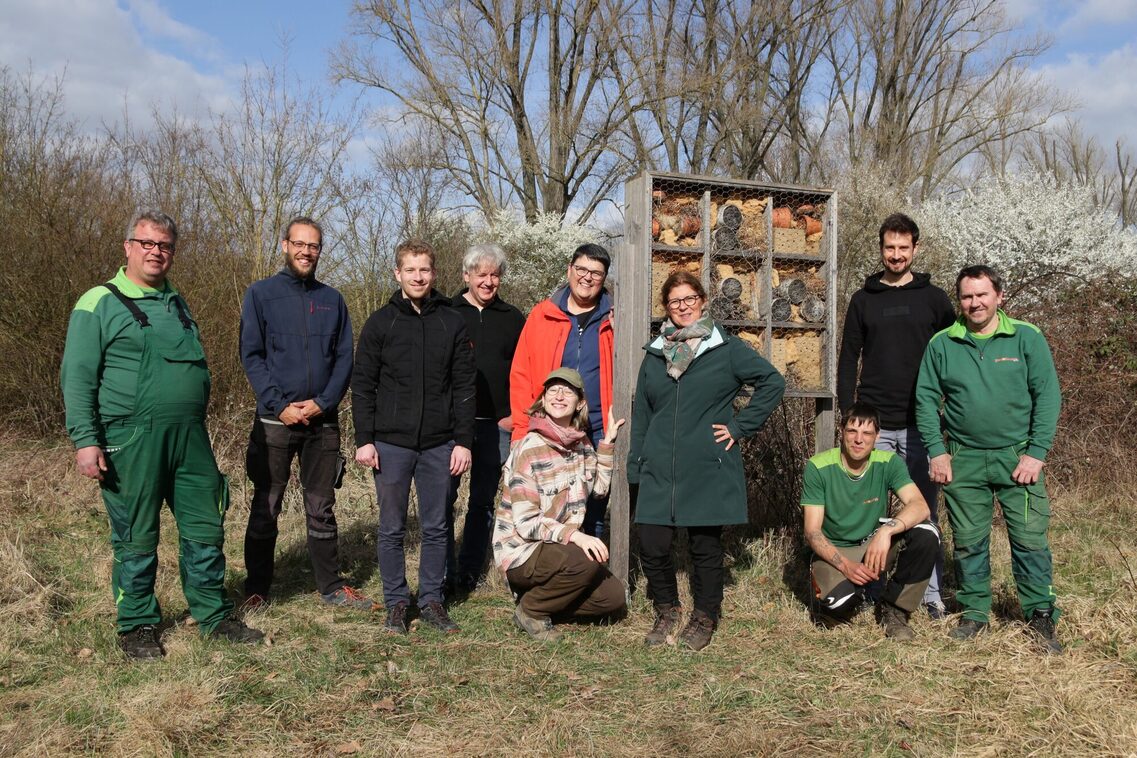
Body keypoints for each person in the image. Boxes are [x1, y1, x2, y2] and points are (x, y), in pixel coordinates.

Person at [61, 209, 263, 659]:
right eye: (148, 243)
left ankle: (213, 614)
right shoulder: (98, 302)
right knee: (137, 534)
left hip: (190, 439)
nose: (157, 252)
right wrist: (85, 440)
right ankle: (136, 624)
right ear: (128, 247)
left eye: (165, 246)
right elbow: (77, 377)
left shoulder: (178, 303)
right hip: (131, 439)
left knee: (205, 525)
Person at [627, 271, 785, 651]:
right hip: (659, 463)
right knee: (651, 541)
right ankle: (666, 609)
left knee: (704, 547)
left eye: (689, 299)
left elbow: (772, 382)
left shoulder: (725, 349)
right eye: (674, 301)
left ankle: (704, 617)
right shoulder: (655, 353)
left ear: (702, 300)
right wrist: (637, 460)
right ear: (666, 307)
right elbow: (643, 412)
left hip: (705, 464)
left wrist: (739, 426)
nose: (682, 307)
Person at [915, 265, 1063, 653]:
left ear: (999, 296)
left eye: (982, 295)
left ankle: (1040, 615)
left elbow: (1047, 397)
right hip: (963, 458)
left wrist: (1036, 453)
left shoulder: (1025, 337)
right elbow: (926, 401)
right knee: (968, 541)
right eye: (967, 296)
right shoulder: (943, 344)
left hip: (1018, 458)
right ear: (959, 301)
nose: (974, 303)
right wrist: (937, 450)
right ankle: (975, 613)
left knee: (1030, 539)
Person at [239, 216, 375, 611]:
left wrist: (325, 401)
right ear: (284, 245)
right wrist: (279, 405)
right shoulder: (260, 294)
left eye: (313, 245)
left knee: (322, 507)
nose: (306, 251)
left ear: (320, 250)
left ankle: (331, 587)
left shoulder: (333, 299)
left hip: (322, 422)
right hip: (274, 421)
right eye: (299, 244)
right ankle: (257, 589)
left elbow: (344, 358)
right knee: (267, 504)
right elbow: (252, 354)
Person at [351, 239, 476, 635]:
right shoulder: (379, 323)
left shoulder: (452, 322)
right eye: (410, 270)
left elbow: (464, 386)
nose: (418, 276)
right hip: (390, 443)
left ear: (434, 274)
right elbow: (362, 385)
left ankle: (433, 601)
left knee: (438, 525)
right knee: (391, 527)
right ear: (397, 274)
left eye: (424, 270)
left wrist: (463, 441)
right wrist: (364, 439)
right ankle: (396, 604)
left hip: (440, 443)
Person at [836, 212, 956, 618]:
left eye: (904, 248)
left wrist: (949, 403)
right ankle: (870, 587)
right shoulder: (864, 299)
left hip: (922, 425)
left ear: (915, 249)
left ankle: (928, 593)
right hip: (876, 425)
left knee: (923, 508)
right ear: (881, 249)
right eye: (890, 248)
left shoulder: (935, 299)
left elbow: (955, 351)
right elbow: (849, 354)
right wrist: (847, 409)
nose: (897, 255)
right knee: (870, 508)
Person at [493, 368, 626, 641]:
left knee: (613, 599)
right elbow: (526, 523)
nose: (559, 395)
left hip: (557, 550)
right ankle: (531, 611)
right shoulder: (530, 448)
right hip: (523, 552)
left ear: (579, 403)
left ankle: (541, 602)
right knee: (585, 561)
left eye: (567, 391)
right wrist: (575, 536)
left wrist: (607, 444)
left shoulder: (580, 445)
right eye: (552, 389)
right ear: (543, 399)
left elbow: (599, 490)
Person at [801, 403, 941, 639]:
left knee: (928, 532)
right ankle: (854, 594)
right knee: (836, 607)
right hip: (837, 550)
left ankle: (894, 609)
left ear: (877, 436)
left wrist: (886, 532)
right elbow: (812, 532)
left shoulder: (888, 462)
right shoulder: (818, 466)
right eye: (852, 431)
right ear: (841, 431)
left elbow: (920, 506)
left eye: (866, 433)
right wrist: (845, 565)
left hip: (873, 545)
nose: (858, 440)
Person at [510, 243, 614, 536]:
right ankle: (551, 574)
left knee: (594, 503)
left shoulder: (616, 318)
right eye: (581, 269)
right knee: (549, 508)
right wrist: (521, 431)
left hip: (596, 428)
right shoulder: (542, 315)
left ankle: (589, 569)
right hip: (549, 430)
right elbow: (521, 374)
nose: (587, 277)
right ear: (569, 270)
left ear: (604, 278)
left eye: (596, 272)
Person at [444, 244, 526, 594]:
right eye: (482, 275)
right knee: (443, 498)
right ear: (467, 275)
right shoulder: (447, 313)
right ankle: (443, 566)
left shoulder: (513, 317)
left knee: (482, 500)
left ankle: (469, 568)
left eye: (495, 275)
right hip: (450, 426)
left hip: (497, 425)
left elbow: (525, 371)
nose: (489, 281)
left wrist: (514, 417)